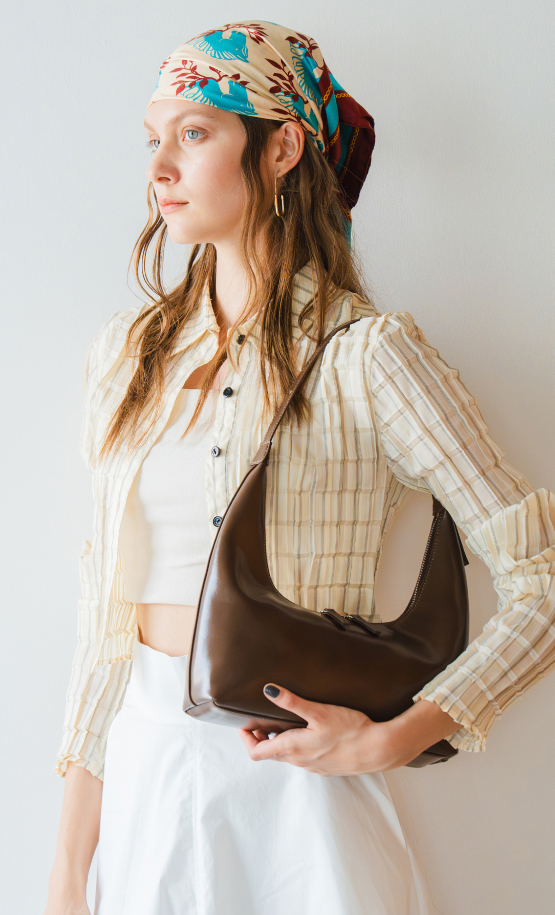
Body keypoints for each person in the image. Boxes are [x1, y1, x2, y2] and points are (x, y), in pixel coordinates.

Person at [44, 20, 555, 915]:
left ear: (281, 148)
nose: (159, 166)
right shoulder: (126, 357)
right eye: (153, 138)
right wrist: (65, 874)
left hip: (303, 801)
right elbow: (103, 633)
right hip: (145, 778)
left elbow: (541, 576)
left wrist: (397, 737)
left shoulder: (369, 354)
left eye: (193, 133)